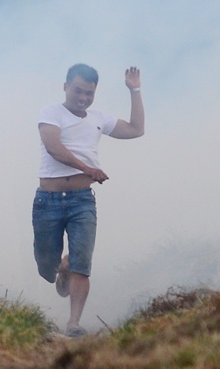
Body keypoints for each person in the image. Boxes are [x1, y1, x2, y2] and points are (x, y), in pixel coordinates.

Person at [35, 63, 143, 337]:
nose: (83, 98)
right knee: (46, 267)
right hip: (48, 200)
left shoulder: (98, 118)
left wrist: (135, 90)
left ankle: (73, 323)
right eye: (78, 91)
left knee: (82, 265)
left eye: (89, 93)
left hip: (82, 200)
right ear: (66, 87)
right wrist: (88, 169)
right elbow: (54, 148)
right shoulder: (51, 113)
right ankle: (61, 267)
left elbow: (136, 129)